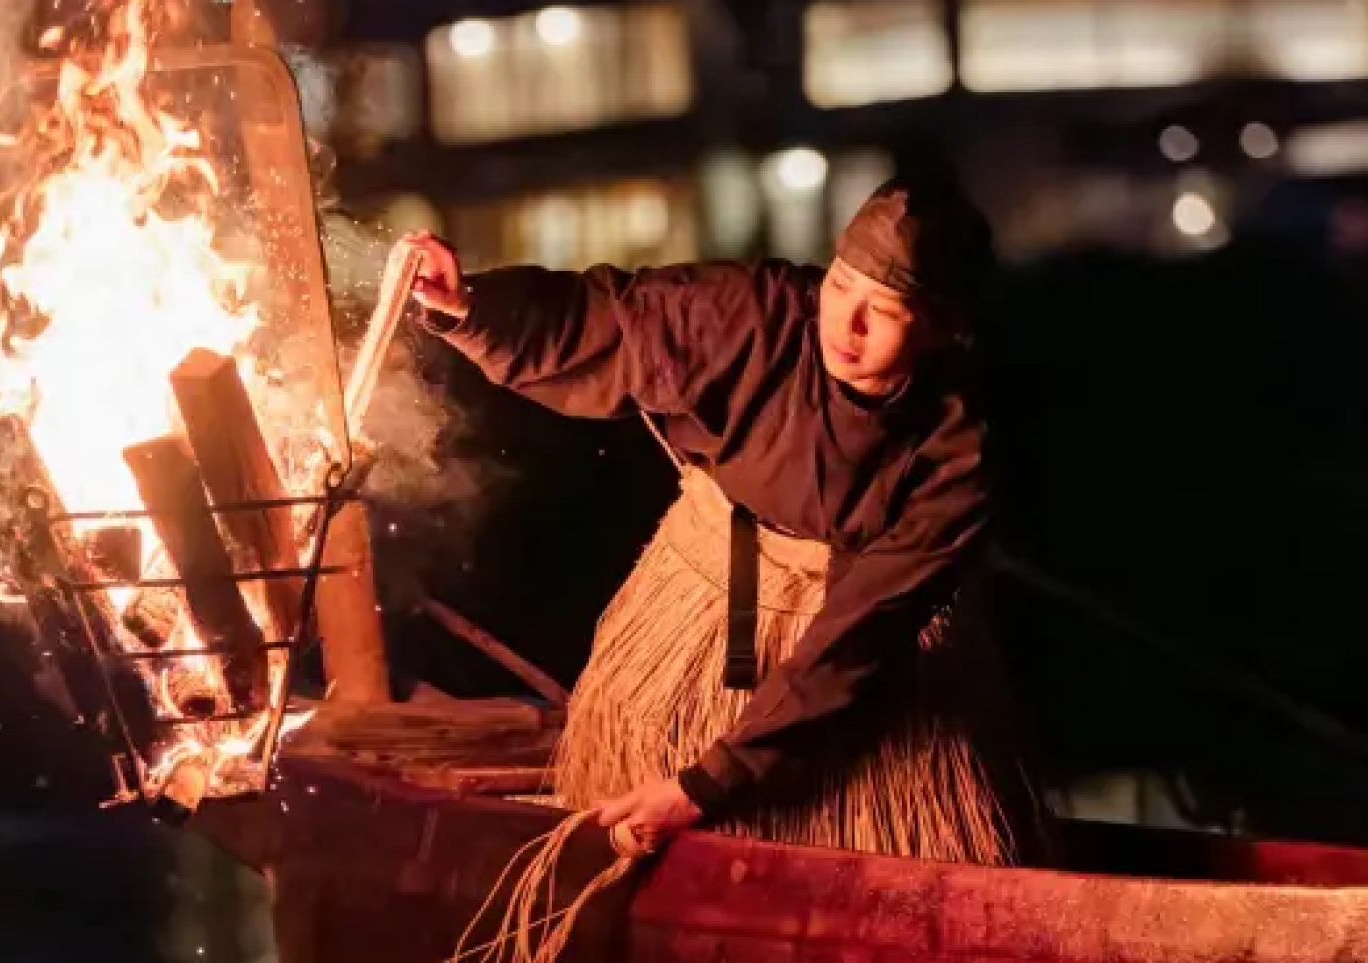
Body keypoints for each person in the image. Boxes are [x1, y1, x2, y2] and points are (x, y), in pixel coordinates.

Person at [405, 175, 1048, 866]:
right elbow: (608, 323)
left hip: (863, 690)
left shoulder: (954, 456)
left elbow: (859, 640)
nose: (846, 325)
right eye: (838, 286)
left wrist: (701, 788)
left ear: (940, 326)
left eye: (882, 310)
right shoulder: (757, 314)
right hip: (697, 620)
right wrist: (466, 303)